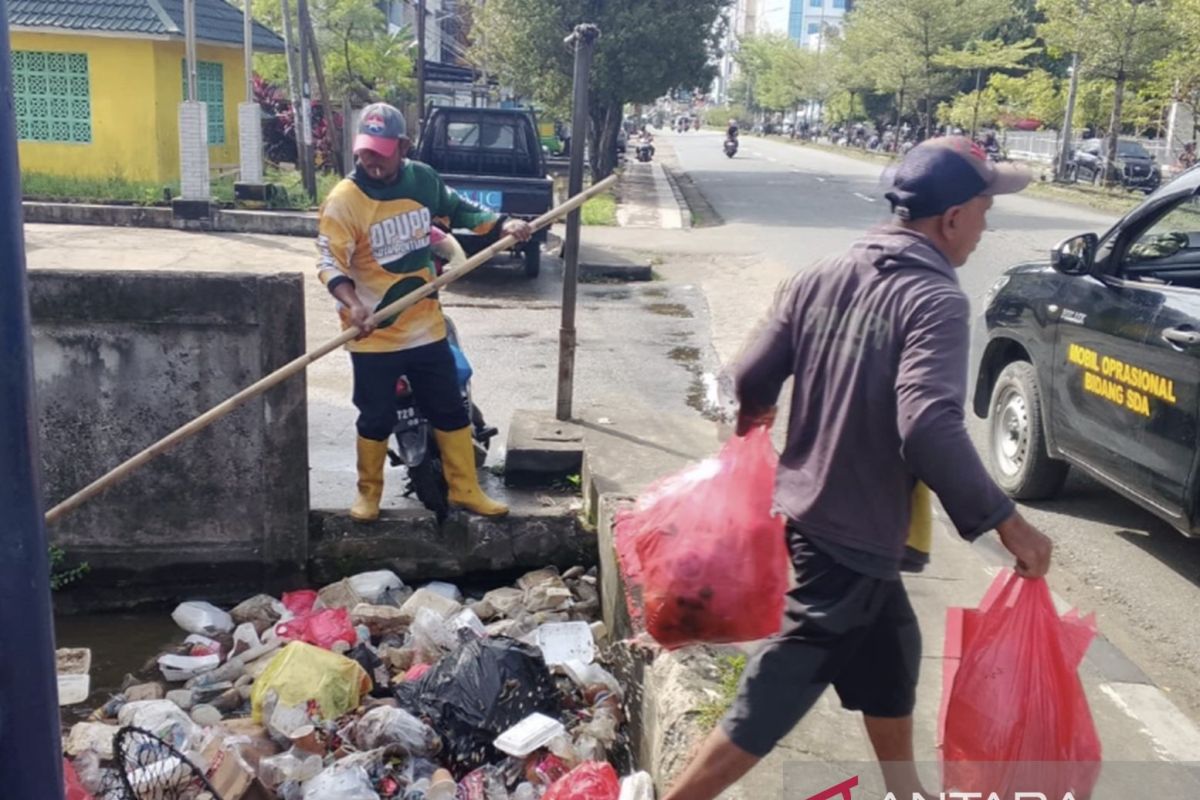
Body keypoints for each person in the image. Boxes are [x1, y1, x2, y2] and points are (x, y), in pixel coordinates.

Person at [662, 136, 1054, 800]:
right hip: (851, 537)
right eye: (985, 212)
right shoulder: (935, 299)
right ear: (951, 217)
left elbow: (746, 381)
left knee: (891, 655)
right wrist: (1007, 524)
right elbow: (928, 425)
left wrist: (762, 433)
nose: (986, 231)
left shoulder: (822, 275)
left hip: (814, 518)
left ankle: (907, 794)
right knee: (773, 695)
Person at [317, 102, 533, 523]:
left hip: (425, 327)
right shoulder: (344, 201)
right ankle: (369, 494)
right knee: (376, 416)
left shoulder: (422, 180)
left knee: (450, 409)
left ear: (402, 146)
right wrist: (354, 303)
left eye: (381, 151)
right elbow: (329, 263)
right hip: (372, 334)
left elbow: (462, 209)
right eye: (365, 151)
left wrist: (504, 224)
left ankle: (465, 489)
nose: (371, 160)